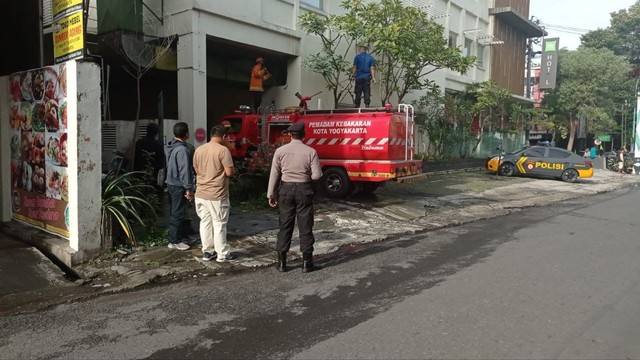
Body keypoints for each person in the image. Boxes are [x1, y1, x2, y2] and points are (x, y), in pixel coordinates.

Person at [267, 122, 323, 273]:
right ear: (304, 135)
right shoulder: (311, 152)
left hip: (285, 190)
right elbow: (317, 175)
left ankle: (281, 263)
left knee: (285, 225)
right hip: (304, 189)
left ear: (290, 135)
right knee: (305, 226)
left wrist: (271, 194)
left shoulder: (280, 151)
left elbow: (274, 174)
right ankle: (307, 263)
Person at [192, 125, 238, 262]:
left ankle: (207, 252)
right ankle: (223, 254)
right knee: (219, 224)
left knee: (205, 222)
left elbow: (196, 169)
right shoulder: (223, 150)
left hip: (200, 192)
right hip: (217, 194)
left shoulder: (199, 149)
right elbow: (229, 172)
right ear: (224, 137)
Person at [164, 122, 194, 251]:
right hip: (178, 184)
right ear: (186, 133)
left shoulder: (170, 146)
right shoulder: (182, 150)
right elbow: (184, 170)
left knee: (175, 211)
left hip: (170, 183)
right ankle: (174, 241)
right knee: (177, 213)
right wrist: (189, 188)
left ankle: (179, 237)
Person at [134, 122, 165, 201]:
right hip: (153, 174)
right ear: (156, 133)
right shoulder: (158, 144)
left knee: (140, 195)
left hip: (139, 172)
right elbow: (162, 160)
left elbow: (135, 157)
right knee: (153, 195)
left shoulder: (139, 142)